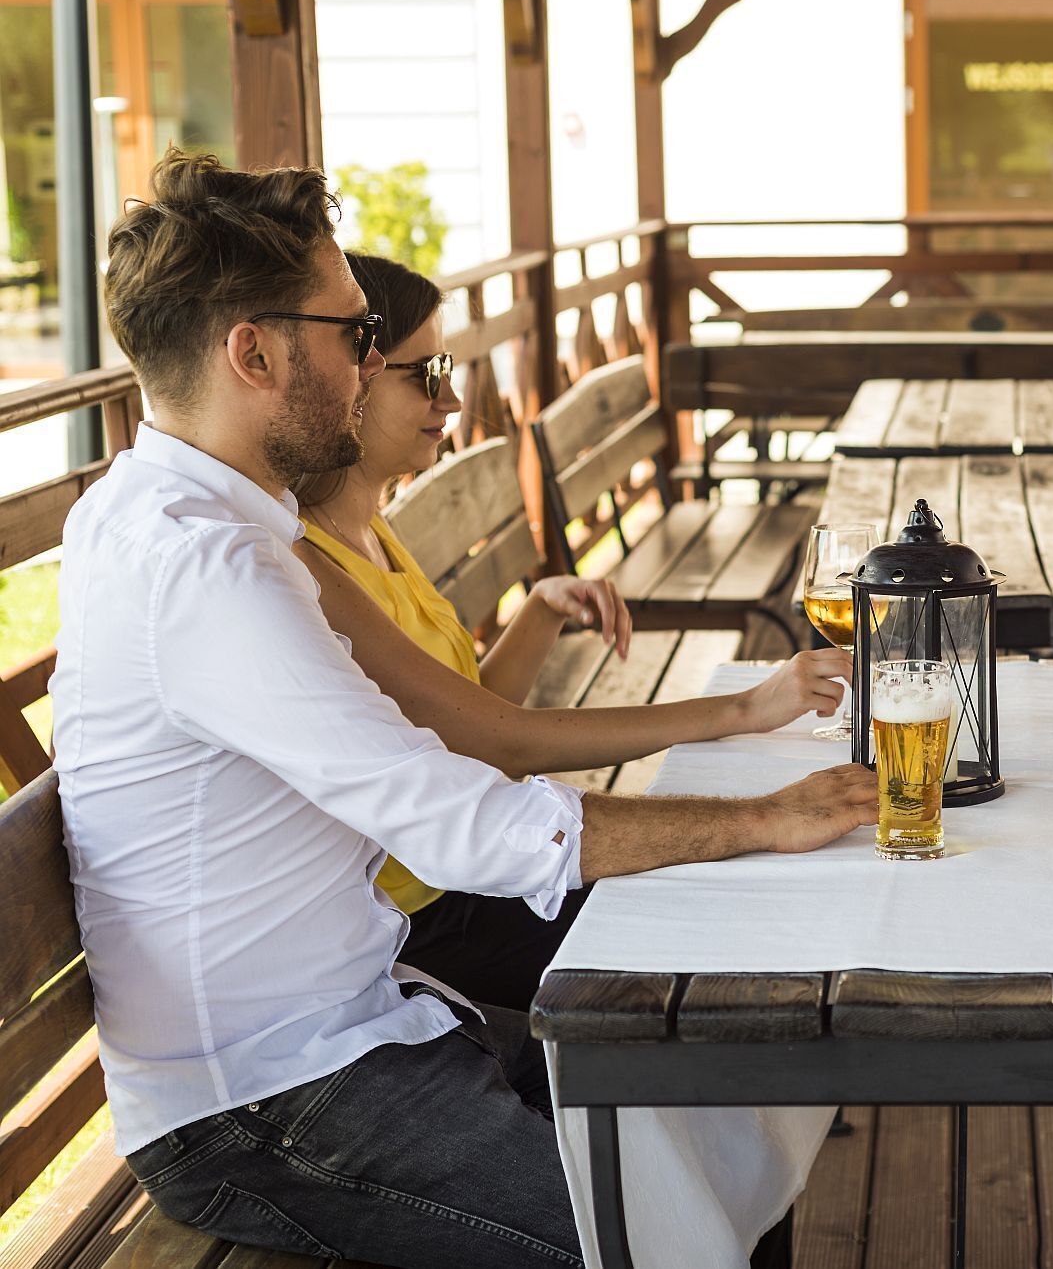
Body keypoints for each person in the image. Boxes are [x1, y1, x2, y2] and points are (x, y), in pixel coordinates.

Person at [50, 149, 874, 1269]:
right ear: (253, 352)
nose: (371, 361)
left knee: (704, 1098)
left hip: (361, 1019)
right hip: (260, 1104)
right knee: (654, 1232)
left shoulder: (191, 515)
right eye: (352, 335)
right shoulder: (205, 567)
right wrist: (763, 820)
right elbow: (463, 822)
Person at [292, 250, 850, 1011]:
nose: (452, 399)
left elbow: (466, 713)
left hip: (483, 868)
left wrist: (541, 609)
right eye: (424, 375)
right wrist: (740, 709)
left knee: (741, 893)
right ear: (352, 378)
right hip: (428, 920)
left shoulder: (372, 531)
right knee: (726, 932)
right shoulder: (311, 567)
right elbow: (498, 742)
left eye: (447, 369)